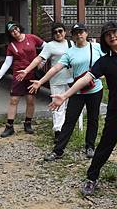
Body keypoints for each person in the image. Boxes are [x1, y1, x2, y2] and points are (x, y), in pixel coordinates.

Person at [50, 22, 117, 195]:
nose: (112, 36)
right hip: (116, 109)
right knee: (106, 145)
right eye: (108, 35)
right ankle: (92, 178)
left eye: (115, 32)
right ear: (104, 40)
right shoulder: (105, 61)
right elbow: (86, 78)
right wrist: (65, 95)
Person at [29, 22, 103, 160]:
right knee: (70, 120)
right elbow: (56, 68)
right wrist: (40, 81)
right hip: (77, 91)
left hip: (95, 90)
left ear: (86, 33)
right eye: (76, 33)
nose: (79, 34)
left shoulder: (97, 47)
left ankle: (90, 146)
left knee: (93, 119)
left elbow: (108, 60)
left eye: (81, 32)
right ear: (73, 36)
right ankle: (58, 150)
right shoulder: (70, 52)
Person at [15, 22, 73, 142]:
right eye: (55, 32)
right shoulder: (50, 46)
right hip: (56, 79)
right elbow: (38, 59)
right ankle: (58, 131)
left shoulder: (71, 44)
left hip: (70, 79)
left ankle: (67, 129)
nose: (58, 34)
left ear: (65, 32)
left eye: (60, 31)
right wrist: (26, 70)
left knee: (69, 105)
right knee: (58, 105)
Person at [0, 21, 44, 137]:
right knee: (14, 100)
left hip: (31, 74)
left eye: (15, 28)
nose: (14, 32)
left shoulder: (32, 38)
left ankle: (28, 123)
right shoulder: (11, 46)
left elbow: (47, 47)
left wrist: (42, 61)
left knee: (30, 100)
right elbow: (7, 63)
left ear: (19, 28)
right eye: (11, 31)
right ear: (9, 34)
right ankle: (9, 127)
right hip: (18, 75)